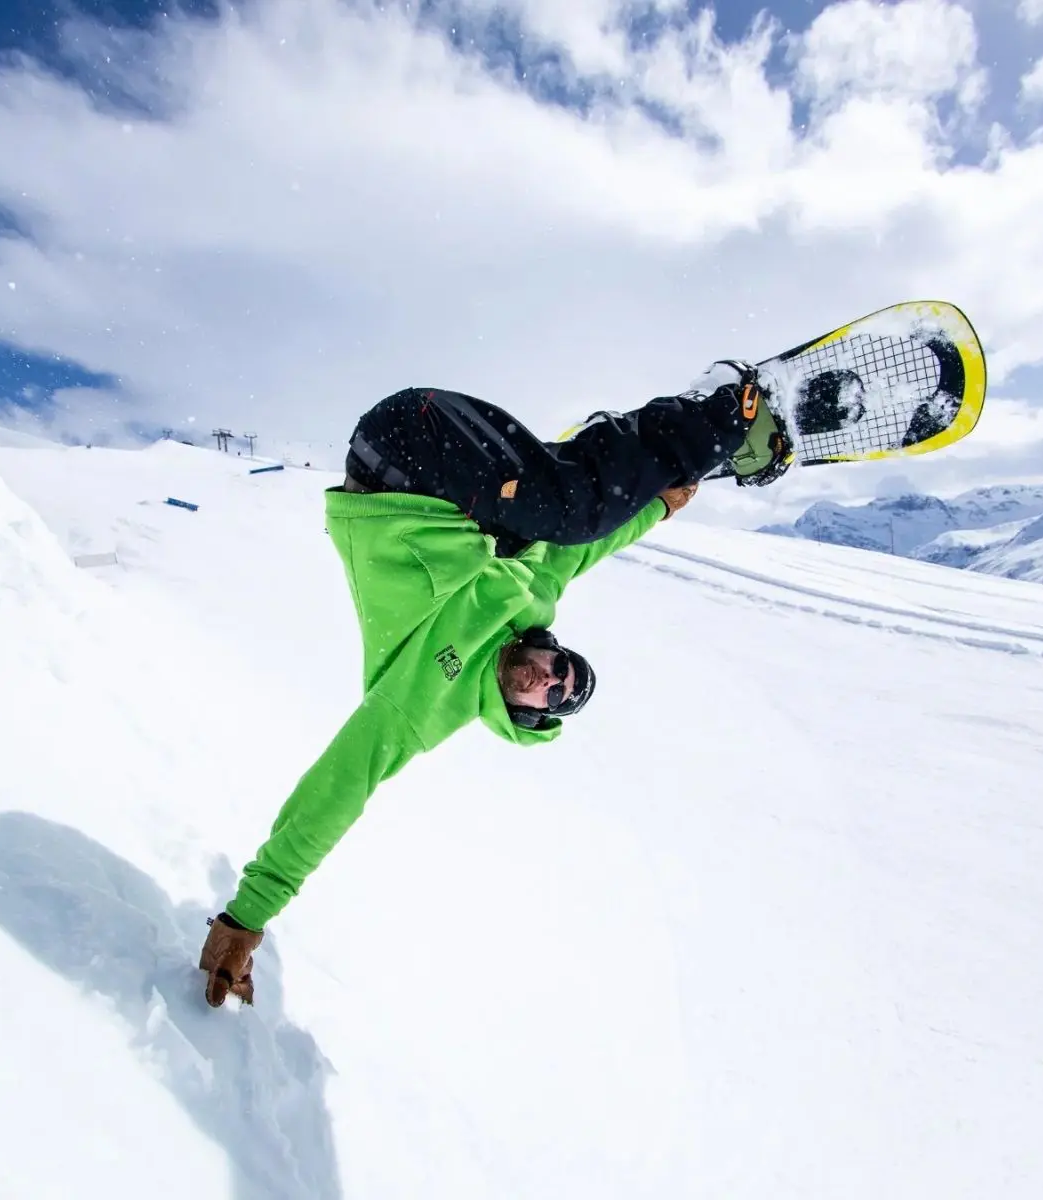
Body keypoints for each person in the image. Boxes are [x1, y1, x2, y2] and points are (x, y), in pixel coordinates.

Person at [199, 364, 793, 1005]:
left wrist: (249, 915)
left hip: (396, 472)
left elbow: (337, 792)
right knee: (578, 510)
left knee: (570, 505)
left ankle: (718, 418)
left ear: (525, 714)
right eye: (561, 667)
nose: (549, 678)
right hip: (433, 447)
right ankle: (717, 415)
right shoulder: (531, 596)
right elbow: (589, 549)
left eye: (553, 696)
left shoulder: (429, 703)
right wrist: (660, 505)